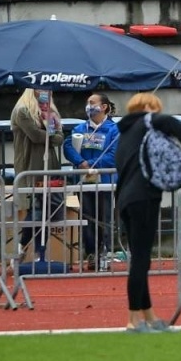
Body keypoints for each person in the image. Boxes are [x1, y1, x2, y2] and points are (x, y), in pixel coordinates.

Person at [114, 91, 181, 333]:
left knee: (141, 258)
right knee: (141, 260)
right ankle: (133, 319)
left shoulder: (125, 135)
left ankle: (149, 317)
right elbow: (171, 123)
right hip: (144, 197)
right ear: (149, 109)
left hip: (125, 200)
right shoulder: (147, 122)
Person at [65, 91, 119, 270]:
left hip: (105, 181)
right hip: (85, 181)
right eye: (88, 102)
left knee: (104, 218)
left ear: (104, 107)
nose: (89, 105)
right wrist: (80, 162)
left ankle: (104, 252)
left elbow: (114, 155)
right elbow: (68, 146)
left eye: (93, 102)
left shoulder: (113, 130)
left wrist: (93, 164)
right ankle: (91, 253)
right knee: (87, 218)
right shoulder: (80, 129)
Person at [10, 87, 64, 259]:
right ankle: (23, 245)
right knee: (37, 209)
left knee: (46, 212)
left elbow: (59, 137)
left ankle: (38, 252)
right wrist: (51, 133)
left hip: (50, 166)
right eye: (40, 89)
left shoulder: (51, 112)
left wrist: (51, 133)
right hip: (30, 165)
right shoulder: (22, 111)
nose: (45, 92)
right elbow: (35, 135)